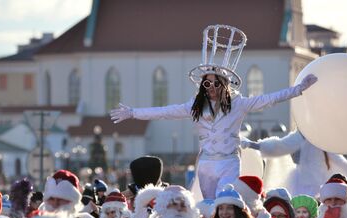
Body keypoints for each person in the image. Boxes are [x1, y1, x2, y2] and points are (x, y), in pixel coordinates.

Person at [110, 24, 318, 199]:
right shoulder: (195, 107)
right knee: (210, 203)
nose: (210, 88)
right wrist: (133, 112)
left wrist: (298, 89)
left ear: (224, 86)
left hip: (228, 161)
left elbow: (269, 99)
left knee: (224, 199)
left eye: (215, 84)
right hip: (206, 164)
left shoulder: (239, 104)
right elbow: (164, 111)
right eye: (206, 84)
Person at [241, 130, 347, 198]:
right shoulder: (301, 135)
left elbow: (343, 164)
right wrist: (254, 145)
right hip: (301, 184)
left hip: (318, 187)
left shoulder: (322, 142)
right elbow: (280, 146)